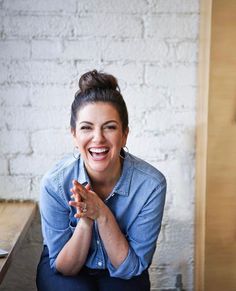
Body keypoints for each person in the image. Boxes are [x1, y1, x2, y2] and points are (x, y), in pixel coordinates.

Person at [36, 70, 166, 291]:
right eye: (86, 127)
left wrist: (102, 214)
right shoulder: (54, 183)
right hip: (68, 264)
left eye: (110, 127)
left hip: (121, 269)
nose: (98, 138)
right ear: (74, 135)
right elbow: (65, 268)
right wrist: (86, 220)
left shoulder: (151, 185)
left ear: (124, 134)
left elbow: (131, 268)